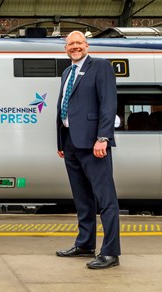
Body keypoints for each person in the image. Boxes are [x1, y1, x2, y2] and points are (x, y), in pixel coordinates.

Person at [55, 31, 121, 269]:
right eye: (70, 44)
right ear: (65, 48)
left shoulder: (100, 67)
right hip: (71, 142)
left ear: (87, 45)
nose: (75, 47)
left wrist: (103, 137)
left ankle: (111, 252)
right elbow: (67, 106)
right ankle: (85, 244)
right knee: (82, 198)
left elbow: (108, 103)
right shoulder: (67, 72)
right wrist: (62, 142)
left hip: (94, 143)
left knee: (106, 199)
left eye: (79, 43)